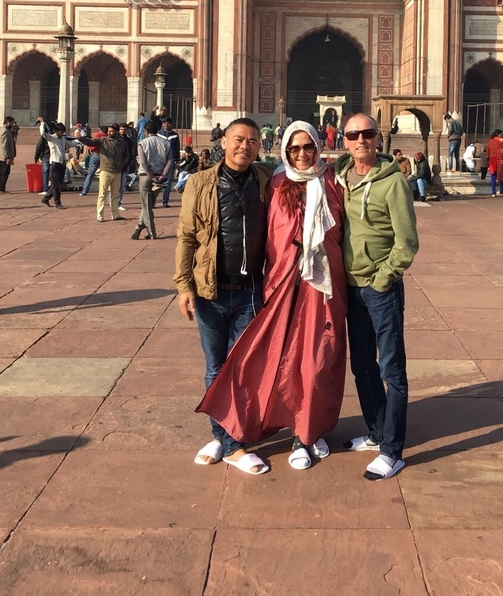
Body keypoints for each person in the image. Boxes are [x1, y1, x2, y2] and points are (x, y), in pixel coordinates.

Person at [197, 121, 347, 471]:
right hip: (281, 287)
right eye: (294, 148)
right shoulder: (275, 183)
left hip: (323, 287)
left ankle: (308, 430)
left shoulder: (333, 182)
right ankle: (232, 433)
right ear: (284, 151)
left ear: (318, 147)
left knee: (318, 360)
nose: (302, 154)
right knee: (280, 362)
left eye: (308, 147)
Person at [174, 118, 272, 475]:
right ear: (224, 142)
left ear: (259, 146)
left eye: (252, 140)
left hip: (250, 291)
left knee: (241, 368)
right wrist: (183, 286)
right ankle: (229, 441)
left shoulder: (266, 181)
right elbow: (186, 236)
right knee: (216, 367)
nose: (244, 146)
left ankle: (225, 440)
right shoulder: (200, 182)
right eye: (238, 139)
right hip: (210, 291)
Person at [334, 113, 419, 481]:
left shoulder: (393, 182)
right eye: (353, 134)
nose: (361, 140)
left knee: (391, 369)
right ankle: (377, 431)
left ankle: (392, 451)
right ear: (344, 140)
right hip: (351, 287)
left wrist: (383, 279)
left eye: (367, 133)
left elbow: (407, 242)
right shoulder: (339, 177)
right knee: (363, 366)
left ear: (378, 138)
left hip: (380, 289)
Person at [78, 124, 129, 222]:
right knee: (102, 194)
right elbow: (91, 142)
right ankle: (100, 215)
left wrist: (123, 164)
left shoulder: (122, 143)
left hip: (117, 171)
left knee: (115, 195)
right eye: (108, 131)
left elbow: (127, 155)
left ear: (117, 131)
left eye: (111, 131)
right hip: (106, 170)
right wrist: (81, 139)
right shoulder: (103, 140)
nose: (109, 133)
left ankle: (115, 215)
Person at [132, 120, 172, 240]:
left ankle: (152, 232)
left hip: (146, 175)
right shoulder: (166, 143)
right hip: (160, 177)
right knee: (148, 204)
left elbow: (143, 162)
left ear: (146, 131)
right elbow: (170, 161)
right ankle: (138, 228)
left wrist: (151, 175)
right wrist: (162, 175)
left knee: (146, 206)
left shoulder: (142, 143)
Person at [38, 117, 74, 209]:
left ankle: (46, 198)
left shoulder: (62, 139)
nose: (62, 134)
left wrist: (80, 140)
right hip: (55, 164)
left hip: (62, 164)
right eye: (61, 132)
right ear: (56, 131)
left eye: (63, 132)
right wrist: (42, 123)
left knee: (57, 184)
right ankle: (58, 203)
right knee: (56, 185)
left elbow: (71, 143)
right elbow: (42, 133)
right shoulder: (51, 138)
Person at [156, 117, 180, 208]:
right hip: (159, 160)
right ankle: (153, 200)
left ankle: (165, 201)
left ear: (171, 124)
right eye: (165, 123)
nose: (166, 125)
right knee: (157, 181)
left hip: (171, 161)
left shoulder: (175, 135)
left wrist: (177, 161)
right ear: (162, 124)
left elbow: (177, 148)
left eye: (168, 123)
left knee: (168, 181)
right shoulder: (158, 134)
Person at [80, 127, 105, 197]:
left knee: (90, 174)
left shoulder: (98, 135)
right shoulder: (108, 137)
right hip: (105, 156)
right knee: (104, 174)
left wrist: (91, 150)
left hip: (96, 154)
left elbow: (93, 144)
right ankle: (103, 190)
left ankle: (84, 190)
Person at [0, 116, 16, 194]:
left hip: (2, 155)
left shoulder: (3, 130)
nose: (12, 124)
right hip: (5, 156)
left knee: (2, 172)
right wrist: (7, 157)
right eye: (12, 123)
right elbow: (4, 145)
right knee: (4, 173)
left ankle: (1, 188)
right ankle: (2, 189)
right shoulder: (5, 131)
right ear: (8, 122)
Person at [486, 130, 503, 197]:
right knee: (501, 175)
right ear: (497, 134)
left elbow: (487, 154)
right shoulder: (502, 140)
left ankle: (493, 192)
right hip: (500, 161)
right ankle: (501, 192)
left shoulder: (489, 141)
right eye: (500, 134)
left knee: (493, 176)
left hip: (491, 161)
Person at [34, 121, 51, 194]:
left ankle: (46, 189)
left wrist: (36, 157)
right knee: (53, 172)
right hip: (52, 156)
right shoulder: (53, 137)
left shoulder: (43, 137)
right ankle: (53, 187)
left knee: (45, 172)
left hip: (46, 155)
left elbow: (39, 147)